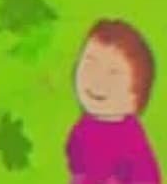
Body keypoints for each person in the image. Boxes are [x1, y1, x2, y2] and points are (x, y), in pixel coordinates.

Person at [67, 18, 159, 183]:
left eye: (114, 74)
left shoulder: (131, 143)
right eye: (90, 65)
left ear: (135, 96)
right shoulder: (84, 127)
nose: (97, 81)